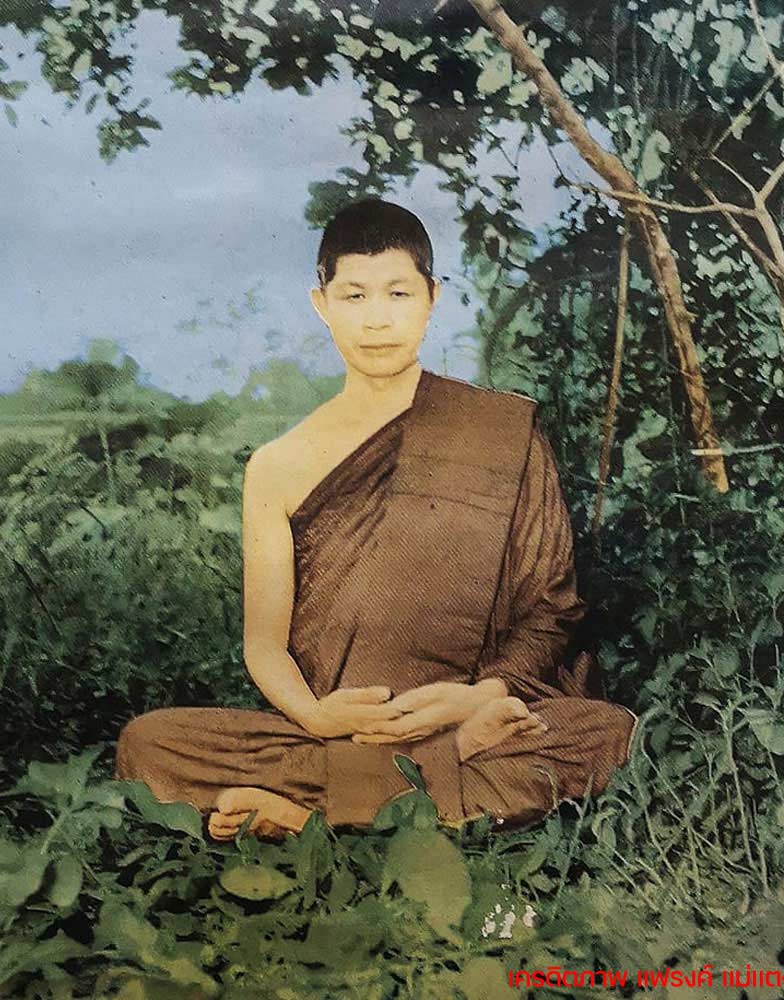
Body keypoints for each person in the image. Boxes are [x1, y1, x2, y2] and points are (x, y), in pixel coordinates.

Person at [115, 199, 638, 840]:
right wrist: (316, 716)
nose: (377, 319)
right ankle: (423, 795)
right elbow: (264, 645)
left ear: (432, 298)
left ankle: (316, 815)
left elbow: (551, 608)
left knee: (608, 733)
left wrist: (478, 697)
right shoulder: (277, 464)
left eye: (398, 293)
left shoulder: (501, 429)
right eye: (355, 295)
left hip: (466, 710)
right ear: (322, 304)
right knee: (151, 744)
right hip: (337, 728)